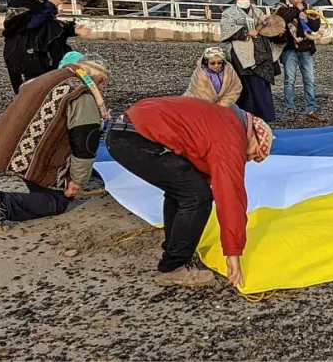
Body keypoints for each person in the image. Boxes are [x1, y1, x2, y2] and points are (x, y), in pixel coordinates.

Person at [105, 96, 274, 287]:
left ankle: (175, 253)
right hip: (139, 138)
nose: (248, 159)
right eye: (252, 153)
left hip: (124, 131)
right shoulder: (231, 136)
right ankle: (173, 268)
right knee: (197, 197)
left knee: (183, 190)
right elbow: (231, 196)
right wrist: (233, 252)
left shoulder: (222, 119)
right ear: (253, 134)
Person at [0, 53, 110, 227]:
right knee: (58, 201)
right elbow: (85, 144)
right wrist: (77, 181)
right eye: (103, 84)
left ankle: (32, 188)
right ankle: (3, 203)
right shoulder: (81, 93)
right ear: (99, 79)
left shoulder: (53, 77)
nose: (102, 89)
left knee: (44, 190)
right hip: (27, 152)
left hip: (3, 144)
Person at [3, 0, 91, 94]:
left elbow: (47, 27)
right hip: (25, 55)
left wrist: (73, 30)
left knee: (48, 87)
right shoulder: (20, 3)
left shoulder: (40, 4)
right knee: (31, 91)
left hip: (42, 55)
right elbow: (30, 24)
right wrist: (50, 5)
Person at [220, 0, 285, 123]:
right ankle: (245, 118)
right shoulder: (228, 13)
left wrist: (276, 30)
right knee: (244, 87)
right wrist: (246, 32)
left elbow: (268, 26)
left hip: (262, 53)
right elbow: (227, 30)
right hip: (239, 54)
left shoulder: (258, 12)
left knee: (261, 86)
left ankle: (264, 118)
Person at [274, 0, 323, 122]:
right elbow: (281, 20)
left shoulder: (308, 7)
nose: (299, 0)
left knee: (310, 79)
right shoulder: (280, 7)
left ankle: (311, 108)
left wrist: (306, 18)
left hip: (305, 47)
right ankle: (290, 108)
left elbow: (315, 26)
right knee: (290, 79)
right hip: (288, 48)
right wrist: (297, 10)